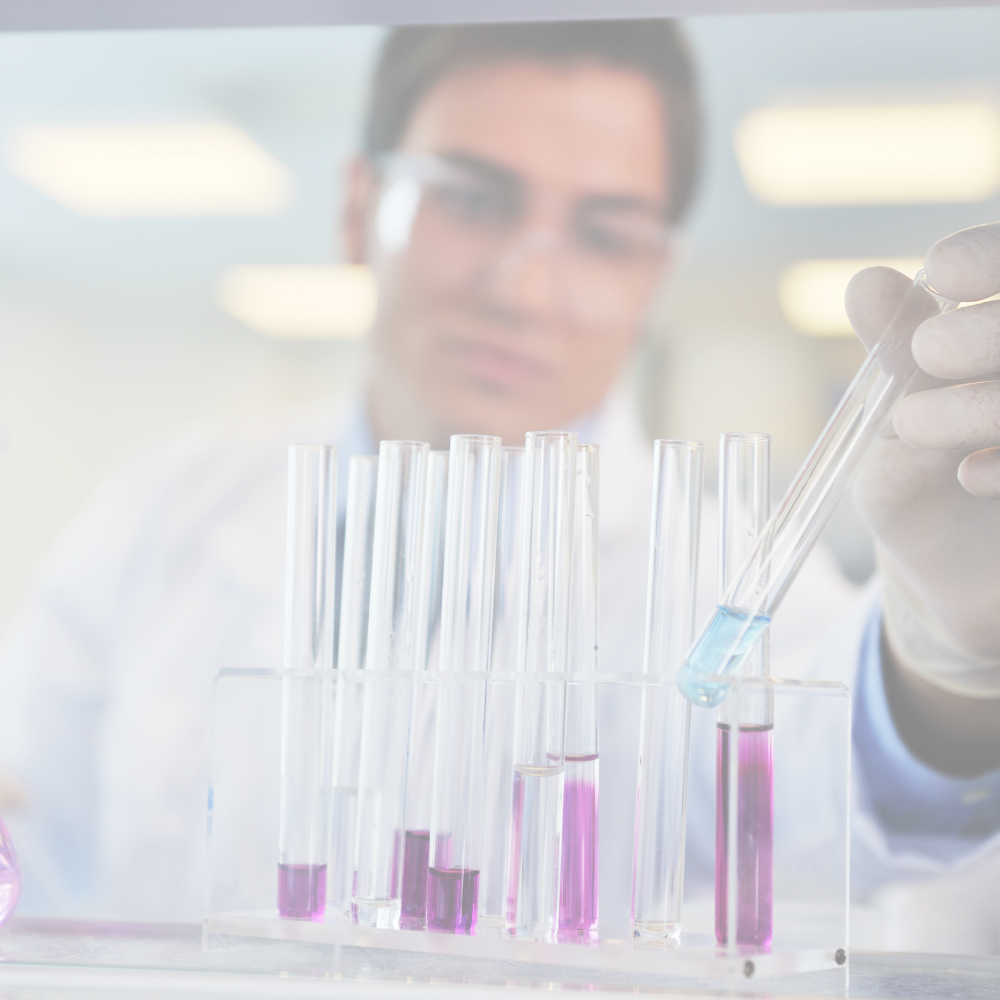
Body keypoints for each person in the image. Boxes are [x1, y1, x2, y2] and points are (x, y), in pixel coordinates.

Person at [1, 21, 999, 951]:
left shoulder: (711, 555)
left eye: (603, 235)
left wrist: (944, 657)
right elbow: (32, 824)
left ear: (653, 278)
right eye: (472, 200)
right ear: (358, 208)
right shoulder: (167, 510)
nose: (524, 286)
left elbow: (837, 776)